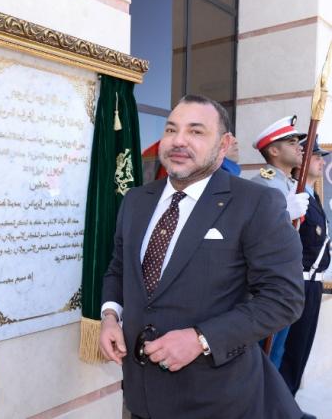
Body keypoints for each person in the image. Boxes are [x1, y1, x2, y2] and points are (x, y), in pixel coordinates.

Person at [99, 95, 305, 419]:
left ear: (224, 145)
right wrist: (110, 316)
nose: (178, 140)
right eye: (171, 129)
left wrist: (201, 339)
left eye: (196, 131)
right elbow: (119, 268)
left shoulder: (255, 203)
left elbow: (284, 298)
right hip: (140, 397)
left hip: (217, 399)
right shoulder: (136, 200)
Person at [250, 116, 310, 368]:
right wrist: (284, 212)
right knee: (261, 358)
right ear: (274, 151)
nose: (300, 148)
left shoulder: (290, 184)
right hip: (268, 283)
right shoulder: (262, 184)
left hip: (287, 279)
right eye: (292, 142)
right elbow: (253, 233)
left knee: (276, 354)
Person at [279, 138, 330, 397]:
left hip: (313, 283)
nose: (322, 161)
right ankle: (280, 404)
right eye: (316, 156)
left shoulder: (313, 195)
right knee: (289, 350)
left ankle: (288, 401)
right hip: (297, 282)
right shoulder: (293, 195)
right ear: (302, 162)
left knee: (301, 350)